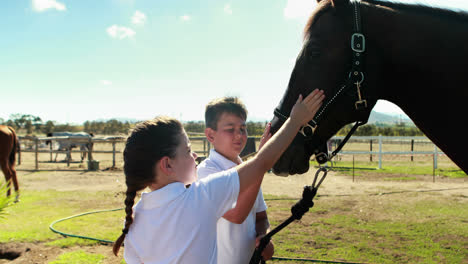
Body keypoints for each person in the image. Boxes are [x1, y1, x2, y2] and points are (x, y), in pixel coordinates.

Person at [112, 89, 325, 264]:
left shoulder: (133, 220)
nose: (194, 155)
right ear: (167, 164)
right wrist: (295, 121)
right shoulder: (201, 196)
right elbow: (261, 163)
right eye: (187, 151)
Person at [197, 96, 274, 263]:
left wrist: (264, 236)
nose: (239, 135)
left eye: (243, 128)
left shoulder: (250, 169)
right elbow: (236, 215)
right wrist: (261, 162)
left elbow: (261, 217)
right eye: (230, 129)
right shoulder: (205, 172)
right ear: (210, 135)